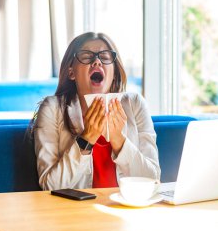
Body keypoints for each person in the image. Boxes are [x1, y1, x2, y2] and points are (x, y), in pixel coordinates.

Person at [33, 32, 160, 190]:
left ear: (114, 73)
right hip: (75, 213)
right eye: (86, 56)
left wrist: (118, 139)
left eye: (105, 57)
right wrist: (86, 139)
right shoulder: (52, 109)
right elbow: (50, 186)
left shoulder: (135, 104)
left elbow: (152, 180)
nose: (97, 61)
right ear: (71, 72)